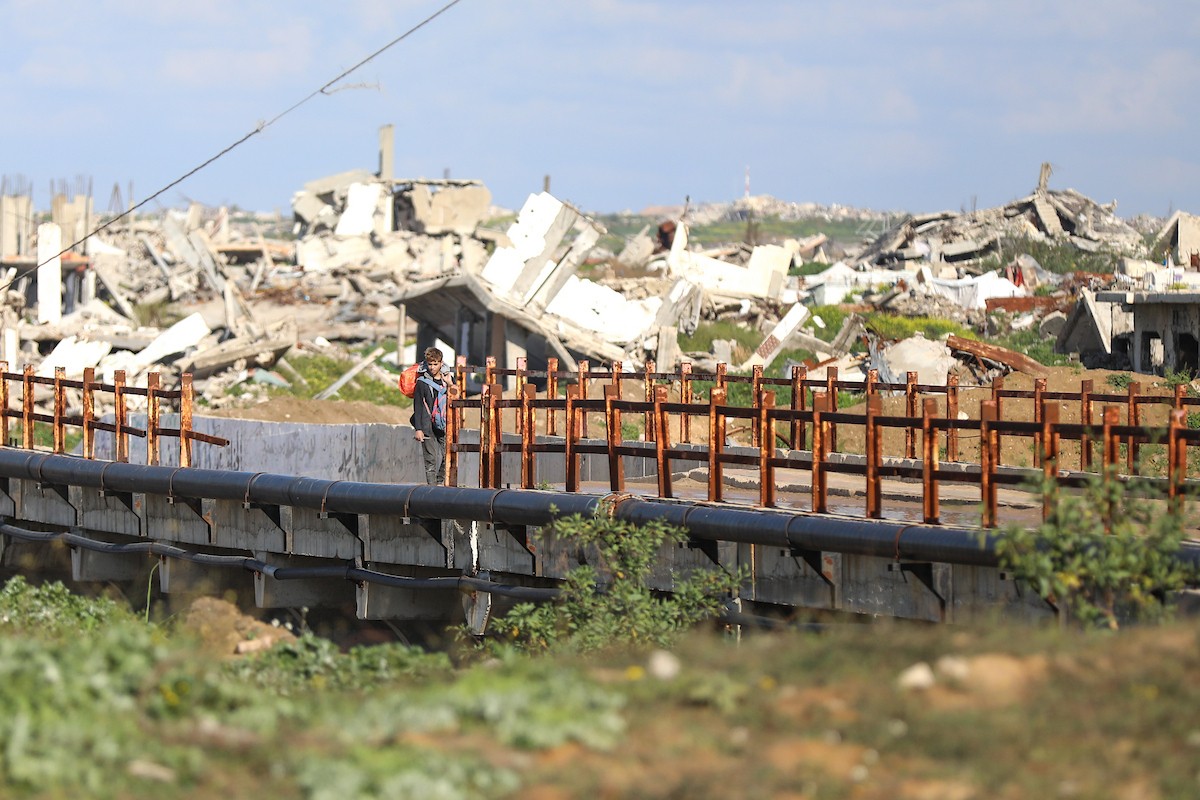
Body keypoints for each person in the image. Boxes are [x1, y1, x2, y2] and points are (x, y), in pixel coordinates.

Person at [412, 347, 448, 485]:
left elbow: (456, 397)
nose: (432, 367)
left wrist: (450, 384)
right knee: (430, 460)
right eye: (430, 364)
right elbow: (418, 405)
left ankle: (439, 482)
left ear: (441, 363)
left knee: (448, 456)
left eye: (435, 364)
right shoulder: (422, 382)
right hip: (426, 424)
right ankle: (432, 490)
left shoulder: (447, 380)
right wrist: (418, 429)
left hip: (443, 423)